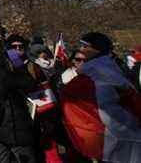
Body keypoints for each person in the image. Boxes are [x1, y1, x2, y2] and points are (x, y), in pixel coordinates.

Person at [60, 32, 141, 163]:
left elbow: (109, 114)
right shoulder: (100, 72)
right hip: (115, 140)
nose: (81, 50)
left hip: (118, 140)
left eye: (85, 46)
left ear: (97, 50)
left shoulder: (97, 75)